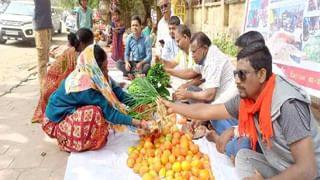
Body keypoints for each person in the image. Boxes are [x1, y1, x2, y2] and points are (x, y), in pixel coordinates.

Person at [162, 42, 320, 179]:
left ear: (261, 74)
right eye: (235, 74)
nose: (236, 80)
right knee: (244, 157)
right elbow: (207, 111)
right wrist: (173, 107)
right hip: (280, 164)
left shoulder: (288, 105)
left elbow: (307, 170)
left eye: (242, 74)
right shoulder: (249, 97)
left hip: (309, 174)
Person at [42, 45, 148, 152]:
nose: (107, 71)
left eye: (107, 67)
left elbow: (118, 93)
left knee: (99, 113)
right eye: (103, 68)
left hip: (70, 114)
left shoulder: (95, 74)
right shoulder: (83, 84)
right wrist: (139, 123)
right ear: (95, 68)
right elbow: (110, 113)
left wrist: (140, 105)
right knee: (95, 113)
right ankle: (65, 140)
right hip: (55, 121)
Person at [32, 28, 94, 123]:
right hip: (53, 91)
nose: (92, 47)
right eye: (91, 44)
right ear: (82, 44)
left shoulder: (74, 52)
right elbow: (78, 80)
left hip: (50, 87)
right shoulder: (76, 56)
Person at [33, 0, 53, 91]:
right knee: (42, 61)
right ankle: (43, 90)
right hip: (40, 26)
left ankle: (45, 86)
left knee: (46, 58)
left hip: (47, 26)